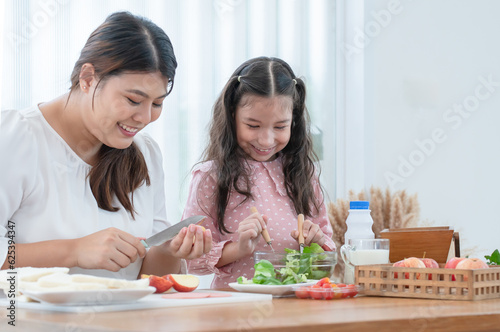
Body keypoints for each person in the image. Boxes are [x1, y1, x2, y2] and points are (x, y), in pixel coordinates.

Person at [0, 12, 212, 280]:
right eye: (134, 100)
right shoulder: (16, 138)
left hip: (122, 322)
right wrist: (73, 251)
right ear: (88, 79)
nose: (145, 118)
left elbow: (147, 280)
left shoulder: (145, 153)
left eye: (157, 103)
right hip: (25, 322)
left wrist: (171, 251)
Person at [182, 57, 336, 288]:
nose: (266, 140)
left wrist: (318, 240)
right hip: (234, 310)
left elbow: (327, 252)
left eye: (280, 127)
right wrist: (239, 248)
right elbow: (191, 259)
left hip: (298, 309)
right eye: (253, 126)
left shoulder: (304, 173)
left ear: (294, 122)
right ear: (231, 117)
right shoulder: (209, 176)